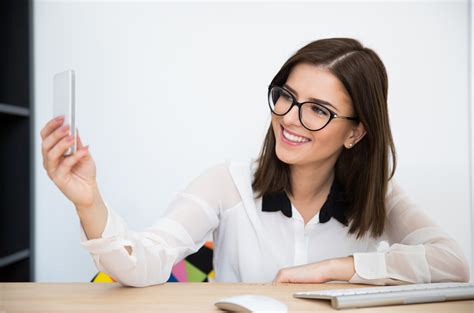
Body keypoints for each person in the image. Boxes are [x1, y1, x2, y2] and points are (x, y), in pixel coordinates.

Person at [41, 38, 470, 287]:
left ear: (356, 132)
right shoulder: (225, 182)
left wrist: (335, 269)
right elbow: (142, 264)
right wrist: (88, 201)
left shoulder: (379, 195)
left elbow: (452, 264)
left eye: (318, 110)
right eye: (286, 97)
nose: (288, 118)